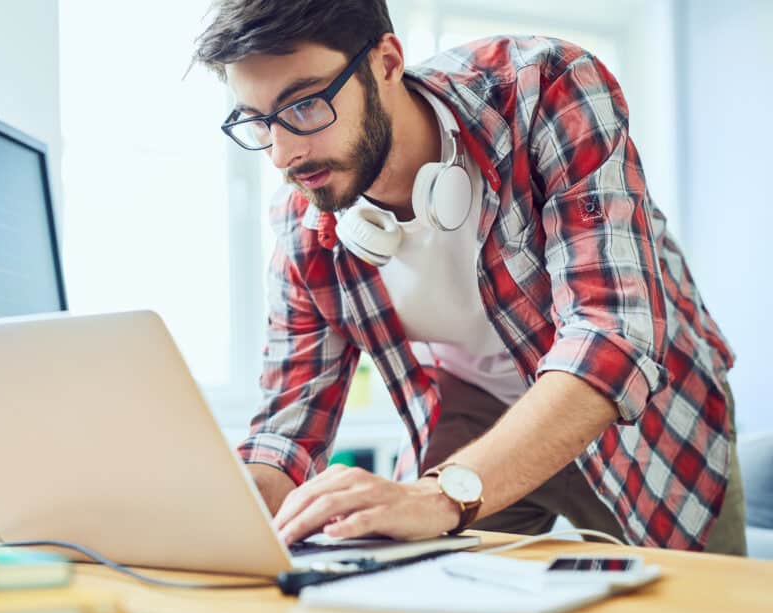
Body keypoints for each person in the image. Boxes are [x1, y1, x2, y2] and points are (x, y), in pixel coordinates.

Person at [192, 0, 745, 554]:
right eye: (258, 121)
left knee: (700, 605)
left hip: (642, 415)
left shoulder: (544, 86)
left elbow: (611, 334)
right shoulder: (305, 224)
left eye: (307, 105)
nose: (283, 155)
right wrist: (209, 513)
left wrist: (438, 497)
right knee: (410, 590)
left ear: (386, 63)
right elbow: (288, 430)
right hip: (474, 412)